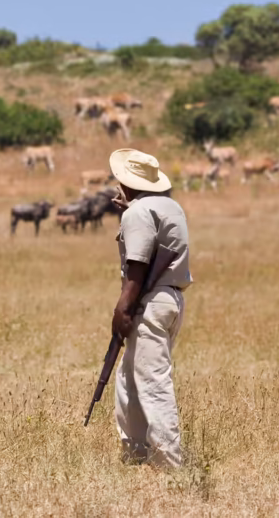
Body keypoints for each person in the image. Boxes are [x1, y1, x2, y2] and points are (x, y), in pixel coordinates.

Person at [109, 148, 192, 468]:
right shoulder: (170, 207)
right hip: (170, 300)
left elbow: (138, 265)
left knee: (153, 384)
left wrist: (123, 309)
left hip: (148, 302)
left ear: (125, 181)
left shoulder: (138, 213)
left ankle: (171, 465)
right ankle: (137, 455)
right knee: (129, 381)